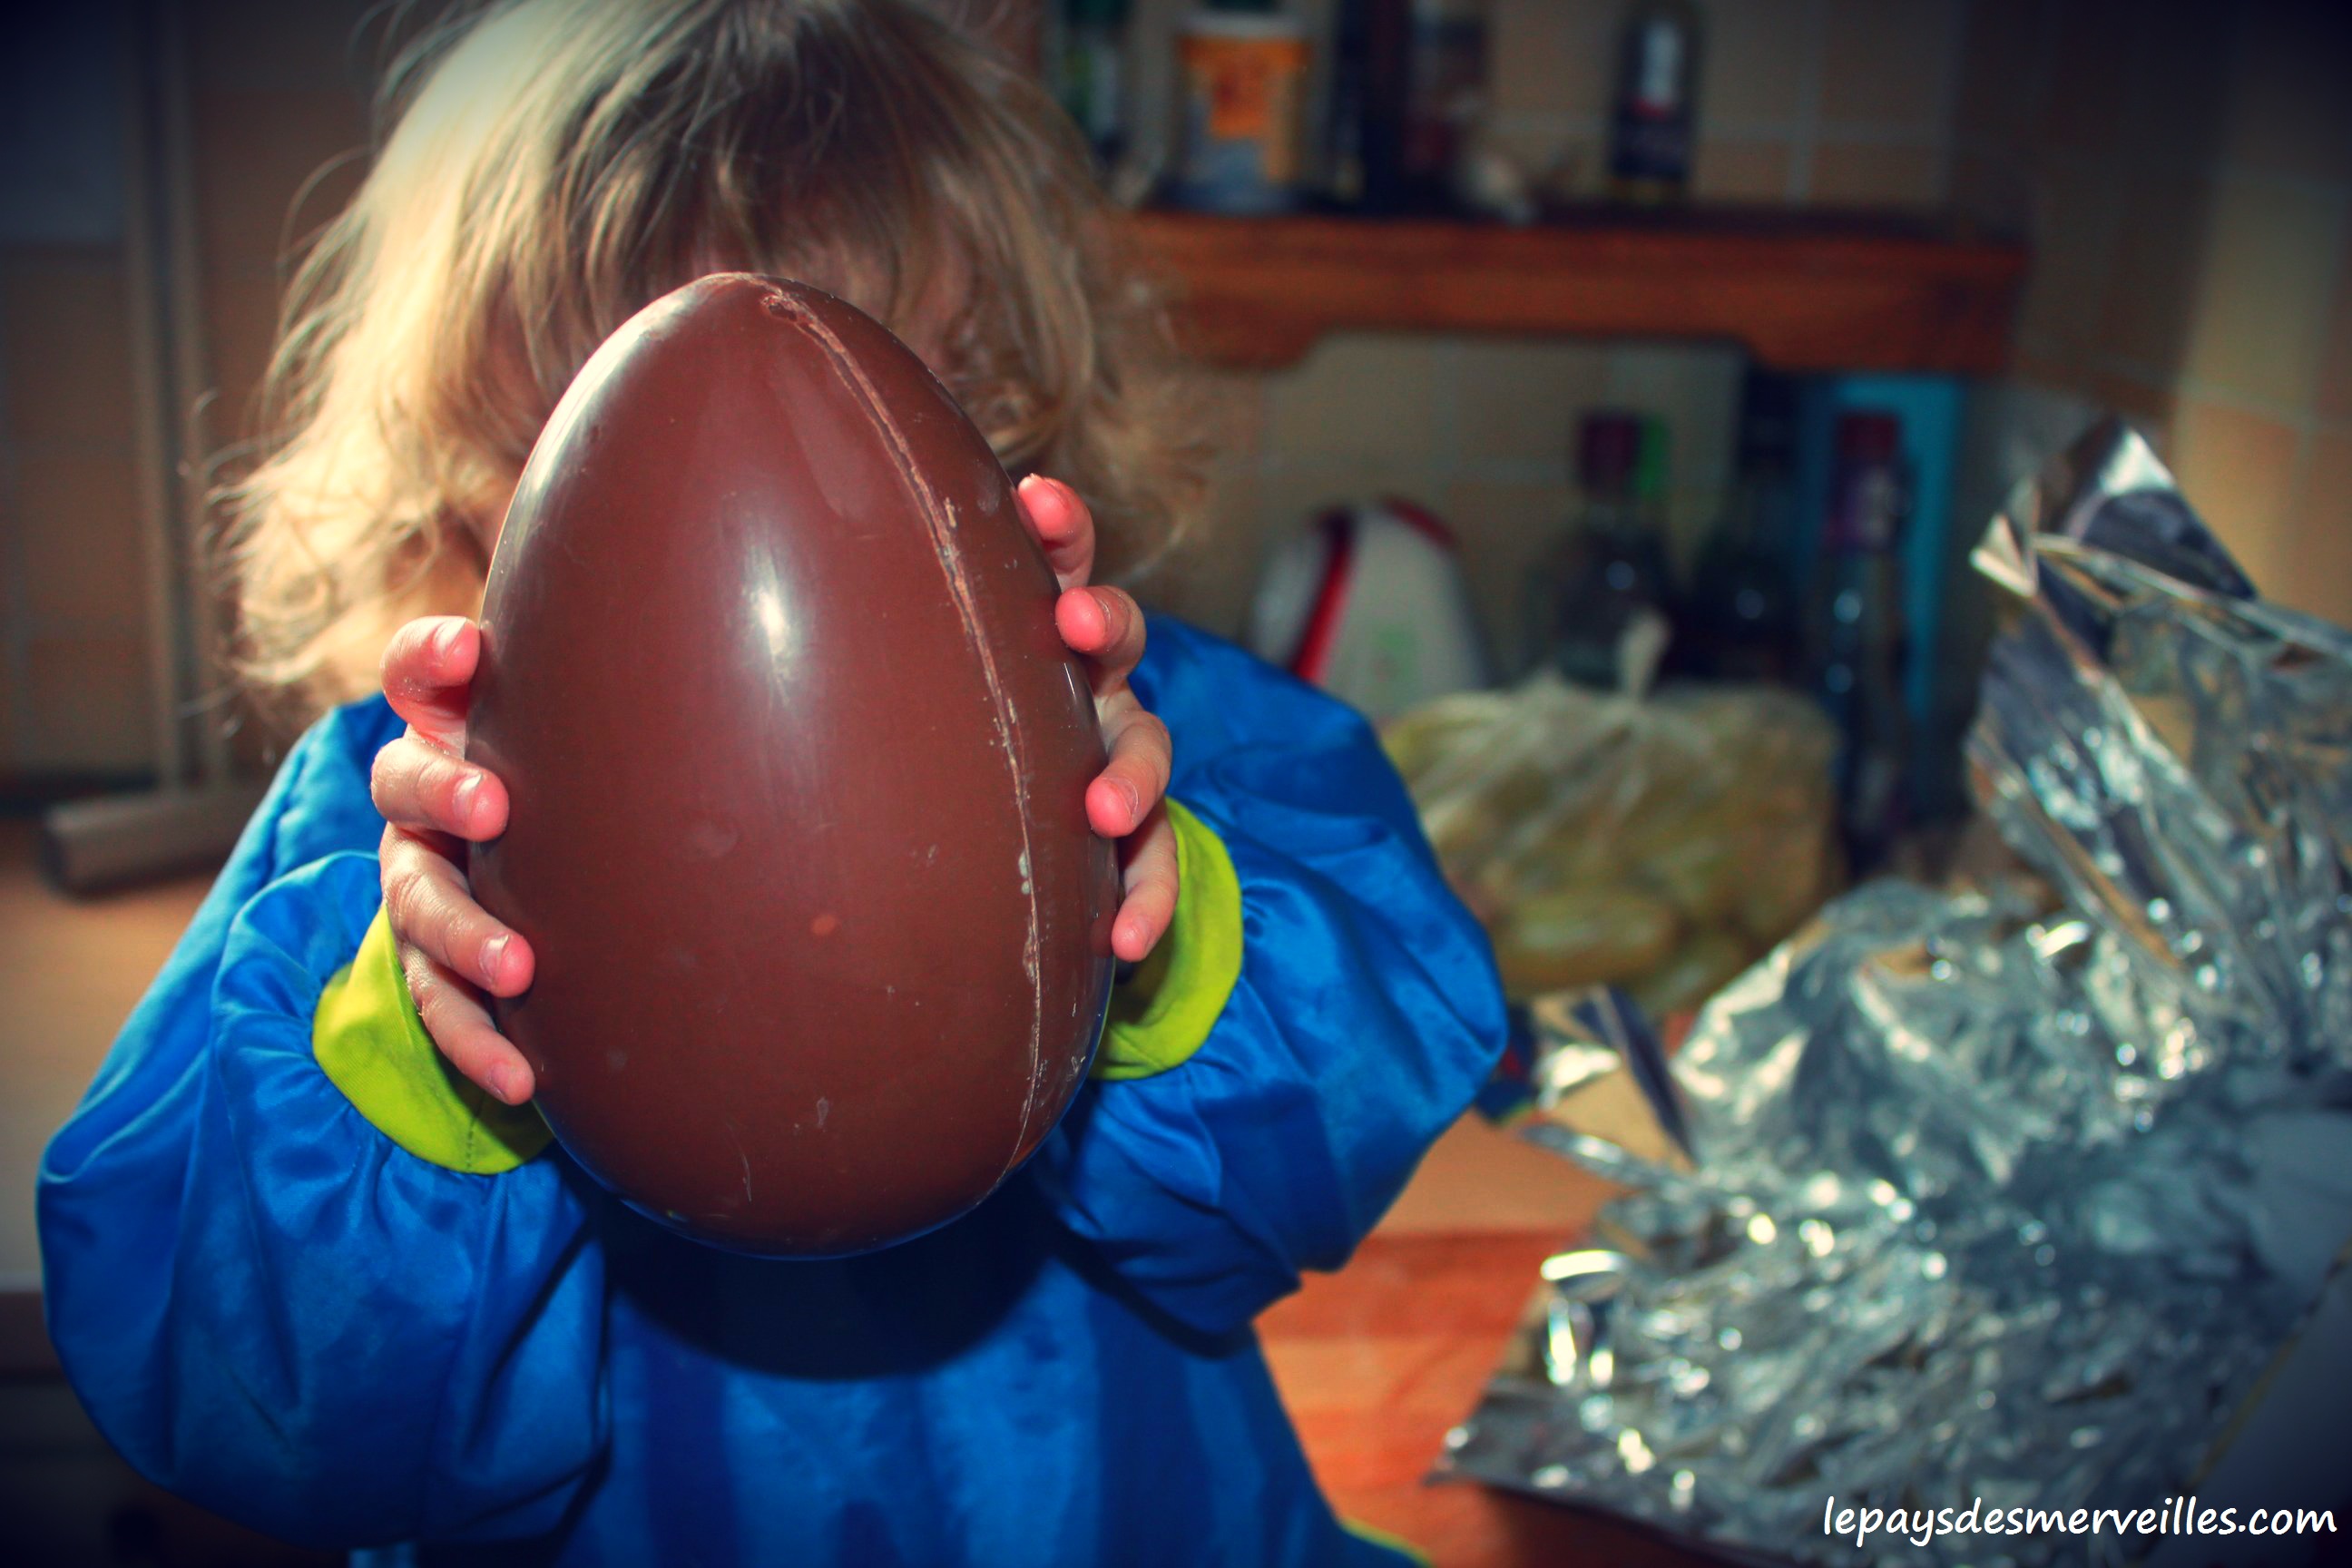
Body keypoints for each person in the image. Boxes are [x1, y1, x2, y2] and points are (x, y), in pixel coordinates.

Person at [39, 2, 1504, 1563]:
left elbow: (1361, 1096)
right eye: (593, 454)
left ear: (988, 421)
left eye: (860, 436)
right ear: (470, 468)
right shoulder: (392, 851)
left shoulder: (1154, 741)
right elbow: (237, 1383)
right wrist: (426, 1041)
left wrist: (1152, 910)